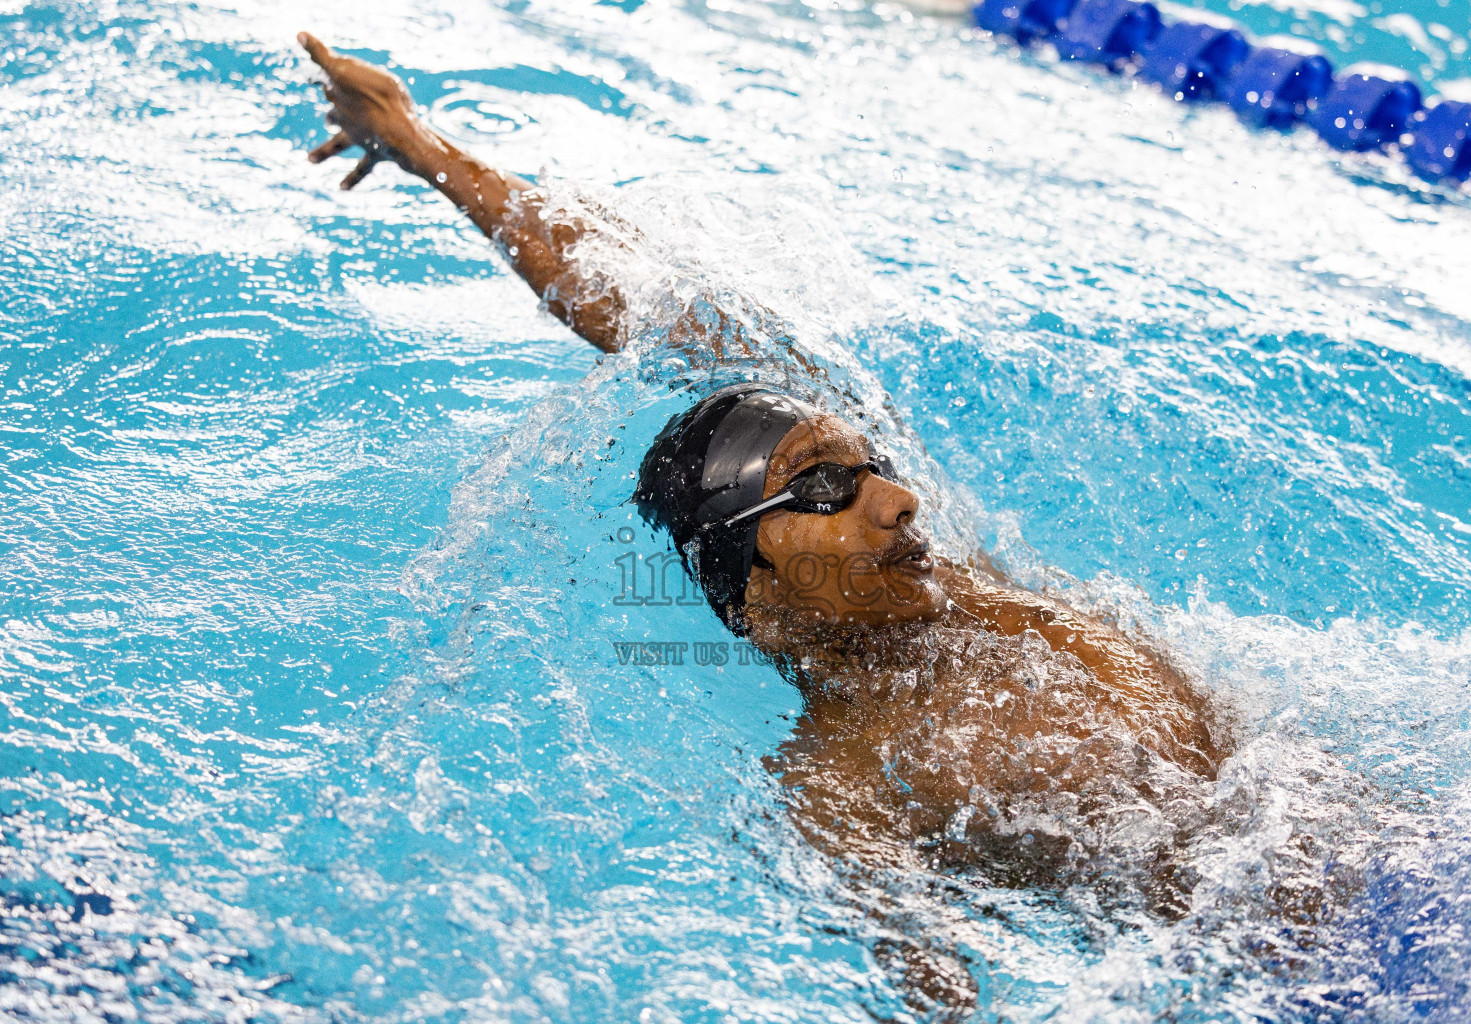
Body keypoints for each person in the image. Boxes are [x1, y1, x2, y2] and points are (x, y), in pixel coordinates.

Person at [297, 33, 1229, 1016]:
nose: (898, 500)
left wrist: (422, 146)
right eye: (824, 488)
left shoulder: (958, 581)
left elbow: (658, 317)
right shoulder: (845, 785)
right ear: (753, 591)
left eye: (877, 469)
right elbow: (943, 994)